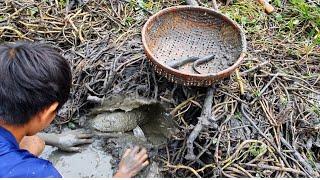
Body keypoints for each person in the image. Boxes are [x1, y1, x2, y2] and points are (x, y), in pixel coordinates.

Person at [0, 42, 149, 178]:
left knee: (34, 143)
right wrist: (123, 173)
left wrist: (54, 139)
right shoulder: (39, 174)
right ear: (48, 112)